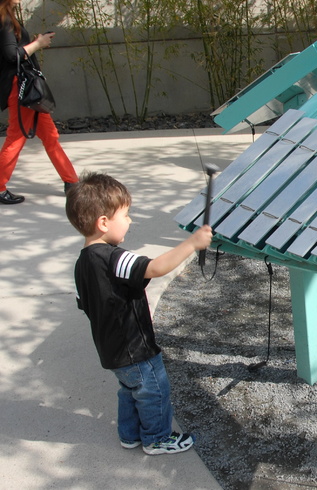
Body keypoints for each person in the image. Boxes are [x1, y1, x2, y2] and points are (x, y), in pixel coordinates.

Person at [66, 172, 212, 455]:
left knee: (129, 390)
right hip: (136, 349)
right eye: (126, 215)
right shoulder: (114, 257)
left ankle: (129, 435)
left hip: (110, 349)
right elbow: (154, 268)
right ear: (103, 222)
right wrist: (192, 243)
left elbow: (85, 305)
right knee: (154, 391)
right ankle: (157, 438)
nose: (130, 221)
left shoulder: (81, 264)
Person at [0, 0, 78, 205]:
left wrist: (33, 43)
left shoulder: (9, 16)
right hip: (22, 89)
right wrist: (38, 44)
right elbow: (11, 56)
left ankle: (72, 182)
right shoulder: (4, 19)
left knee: (50, 135)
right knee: (16, 137)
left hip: (28, 87)